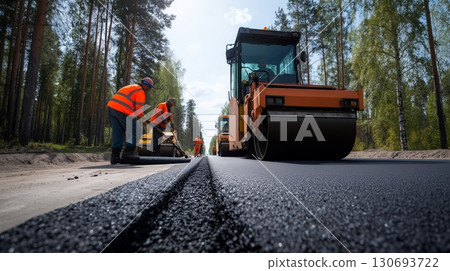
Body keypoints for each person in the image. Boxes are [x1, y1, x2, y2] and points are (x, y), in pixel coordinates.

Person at [107, 77, 154, 164]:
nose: (149, 90)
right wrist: (144, 120)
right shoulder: (140, 90)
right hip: (122, 111)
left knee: (117, 132)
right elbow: (139, 110)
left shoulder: (132, 87)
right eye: (150, 87)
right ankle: (127, 154)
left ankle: (115, 158)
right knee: (137, 130)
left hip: (112, 108)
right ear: (146, 85)